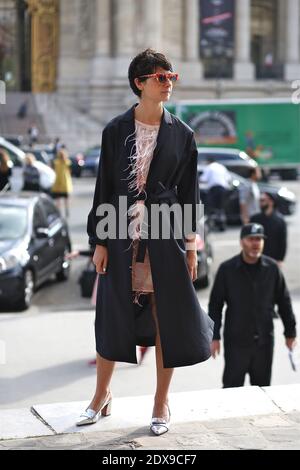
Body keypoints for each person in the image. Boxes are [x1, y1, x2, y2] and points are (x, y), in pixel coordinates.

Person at [78, 49, 214, 435]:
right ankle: (101, 394)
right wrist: (99, 240)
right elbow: (104, 187)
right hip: (119, 231)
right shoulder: (115, 130)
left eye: (172, 77)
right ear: (139, 83)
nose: (168, 83)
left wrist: (191, 246)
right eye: (160, 77)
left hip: (166, 233)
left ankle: (160, 402)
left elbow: (190, 194)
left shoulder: (183, 134)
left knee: (165, 316)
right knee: (112, 312)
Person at [208, 223, 297, 388]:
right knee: (232, 390)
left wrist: (290, 332)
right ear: (242, 242)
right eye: (251, 239)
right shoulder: (227, 270)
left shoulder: (272, 270)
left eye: (259, 239)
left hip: (264, 342)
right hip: (236, 343)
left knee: (263, 391)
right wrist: (214, 336)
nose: (256, 243)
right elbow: (215, 305)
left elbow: (284, 302)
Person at [250, 192, 287, 267]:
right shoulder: (254, 219)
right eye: (260, 200)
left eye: (263, 200)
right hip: (256, 258)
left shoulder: (280, 220)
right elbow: (248, 239)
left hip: (273, 259)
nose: (260, 203)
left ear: (271, 202)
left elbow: (282, 241)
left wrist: (280, 259)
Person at [200, 156, 231, 231]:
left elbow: (203, 179)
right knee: (221, 208)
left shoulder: (209, 167)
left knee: (211, 207)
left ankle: (212, 224)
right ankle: (222, 225)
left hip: (214, 189)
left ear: (209, 161)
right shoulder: (221, 167)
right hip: (224, 189)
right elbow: (228, 178)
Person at [51, 148, 73, 218]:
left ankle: (59, 212)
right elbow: (70, 171)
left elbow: (53, 170)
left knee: (58, 200)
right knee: (65, 199)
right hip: (65, 183)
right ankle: (67, 211)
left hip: (58, 182)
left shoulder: (56, 162)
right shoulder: (67, 162)